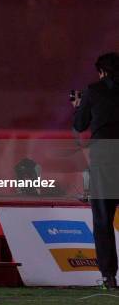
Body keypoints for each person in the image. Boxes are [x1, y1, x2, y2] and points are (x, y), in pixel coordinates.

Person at [73, 52, 119, 290]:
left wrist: (78, 106)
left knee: (103, 220)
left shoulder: (93, 90)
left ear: (101, 72)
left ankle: (109, 276)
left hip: (104, 161)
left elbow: (80, 124)